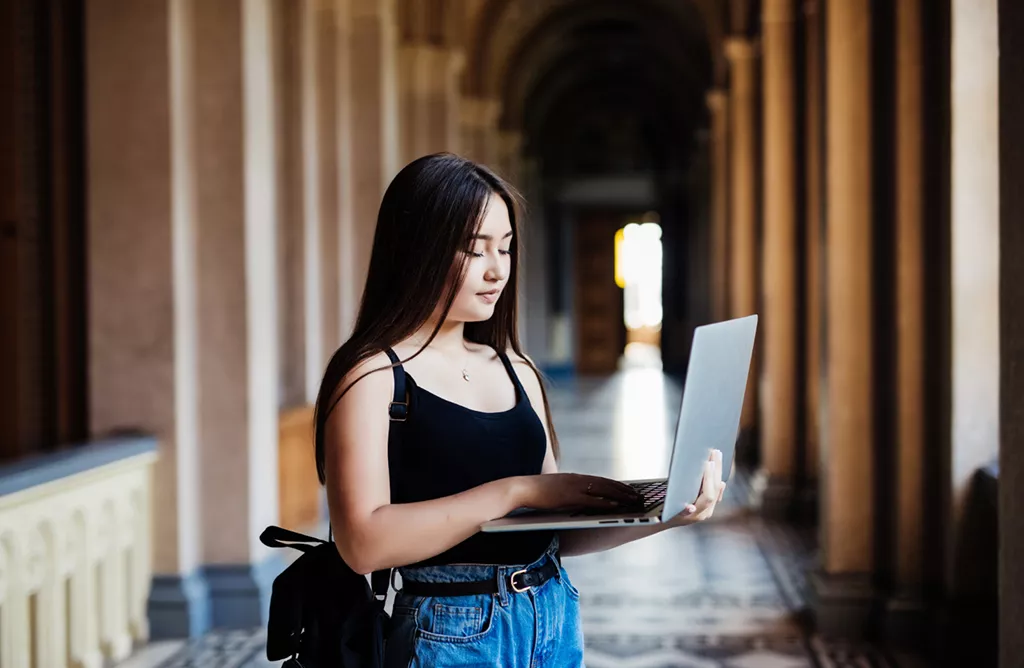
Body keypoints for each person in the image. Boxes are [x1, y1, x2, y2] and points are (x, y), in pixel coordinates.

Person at [313, 153, 726, 667]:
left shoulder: (517, 368)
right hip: (450, 630)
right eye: (473, 249)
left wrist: (664, 514)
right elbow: (362, 544)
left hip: (551, 612)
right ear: (417, 249)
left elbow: (550, 532)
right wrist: (516, 490)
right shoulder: (374, 376)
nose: (496, 270)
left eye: (505, 248)